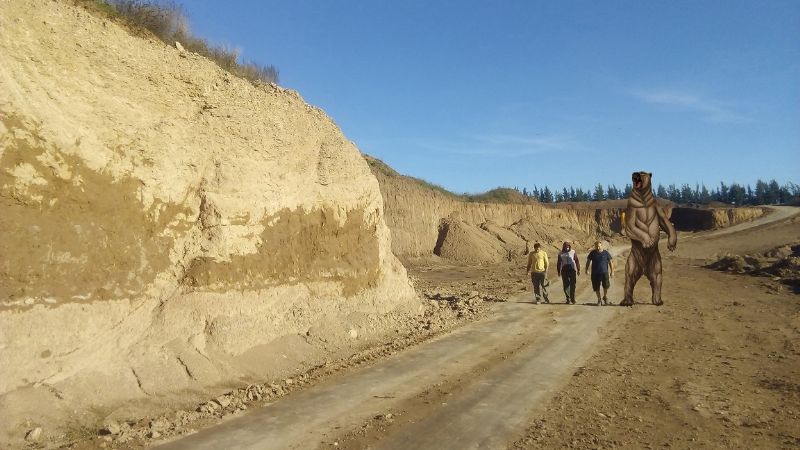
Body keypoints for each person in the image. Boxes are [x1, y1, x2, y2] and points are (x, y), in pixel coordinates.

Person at [586, 240, 614, 305]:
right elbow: (588, 261)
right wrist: (586, 269)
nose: (598, 248)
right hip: (595, 273)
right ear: (595, 246)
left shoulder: (606, 253)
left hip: (604, 272)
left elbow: (610, 262)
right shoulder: (592, 253)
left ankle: (605, 297)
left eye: (599, 246)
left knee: (606, 286)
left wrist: (612, 271)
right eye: (596, 247)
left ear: (601, 246)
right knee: (596, 287)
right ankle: (599, 299)